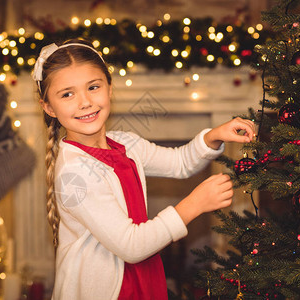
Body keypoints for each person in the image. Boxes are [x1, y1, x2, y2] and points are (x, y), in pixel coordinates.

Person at [32, 39, 255, 300]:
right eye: (67, 94)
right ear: (48, 107)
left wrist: (214, 136)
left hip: (143, 274)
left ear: (109, 89)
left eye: (93, 87)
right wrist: (193, 205)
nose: (84, 102)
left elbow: (180, 163)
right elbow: (131, 245)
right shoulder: (75, 175)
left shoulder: (126, 144)